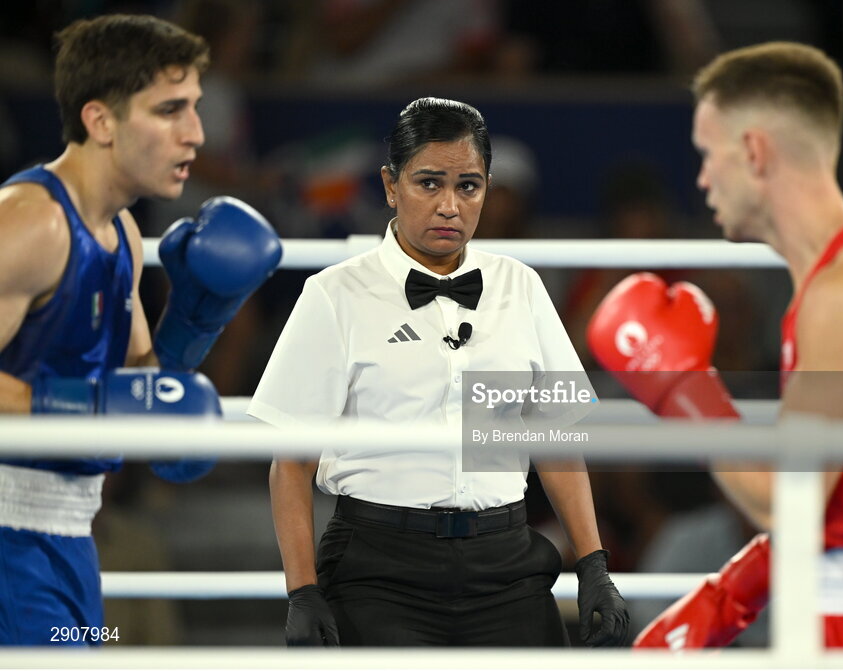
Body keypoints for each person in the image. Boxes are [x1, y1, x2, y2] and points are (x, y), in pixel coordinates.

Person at [589, 42, 843, 649]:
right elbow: (835, 502)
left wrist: (685, 392)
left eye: (706, 153)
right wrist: (728, 598)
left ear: (753, 151)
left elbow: (789, 503)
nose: (700, 177)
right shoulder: (833, 282)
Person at [251, 97, 629, 647]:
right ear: (389, 185)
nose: (450, 205)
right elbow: (291, 462)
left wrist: (594, 566)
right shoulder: (333, 293)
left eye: (468, 186)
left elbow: (556, 441)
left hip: (508, 563)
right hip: (376, 570)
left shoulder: (521, 285)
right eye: (429, 183)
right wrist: (302, 592)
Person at [0, 14, 281, 645]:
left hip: (68, 533)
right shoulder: (30, 224)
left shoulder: (120, 232)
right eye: (170, 111)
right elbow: (100, 404)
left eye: (196, 109)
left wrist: (194, 318)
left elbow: (141, 393)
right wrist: (83, 405)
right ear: (101, 120)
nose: (196, 135)